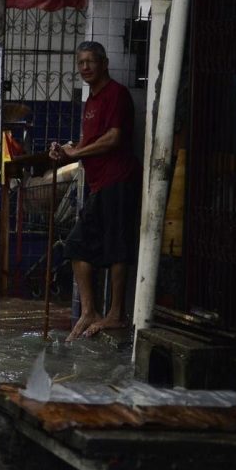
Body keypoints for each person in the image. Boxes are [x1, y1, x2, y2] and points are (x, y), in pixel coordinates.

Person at [49, 41, 141, 341]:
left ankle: (116, 313)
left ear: (104, 63)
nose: (85, 67)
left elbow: (113, 138)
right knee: (76, 245)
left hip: (119, 180)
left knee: (117, 248)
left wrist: (77, 152)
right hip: (98, 184)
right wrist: (66, 151)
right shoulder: (91, 101)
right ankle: (89, 311)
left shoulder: (116, 94)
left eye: (91, 61)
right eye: (81, 63)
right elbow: (88, 143)